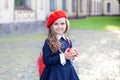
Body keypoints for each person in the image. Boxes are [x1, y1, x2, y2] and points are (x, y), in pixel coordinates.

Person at [40, 9, 80, 80]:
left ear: (66, 24)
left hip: (68, 73)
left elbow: (69, 58)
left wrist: (72, 55)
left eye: (62, 23)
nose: (59, 27)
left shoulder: (68, 40)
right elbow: (46, 60)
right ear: (51, 26)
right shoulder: (49, 41)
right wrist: (63, 56)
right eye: (56, 24)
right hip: (55, 75)